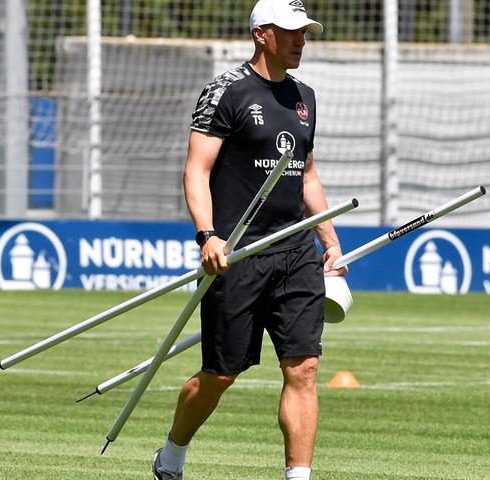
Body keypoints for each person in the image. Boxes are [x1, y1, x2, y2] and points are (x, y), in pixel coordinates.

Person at [151, 2, 346, 480]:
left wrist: (330, 241)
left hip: (295, 251)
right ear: (262, 34)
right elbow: (196, 171)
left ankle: (298, 476)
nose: (302, 41)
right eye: (292, 32)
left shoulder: (306, 98)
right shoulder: (226, 91)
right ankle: (173, 452)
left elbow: (307, 176)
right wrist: (207, 235)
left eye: (306, 33)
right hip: (236, 254)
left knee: (303, 369)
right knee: (221, 374)